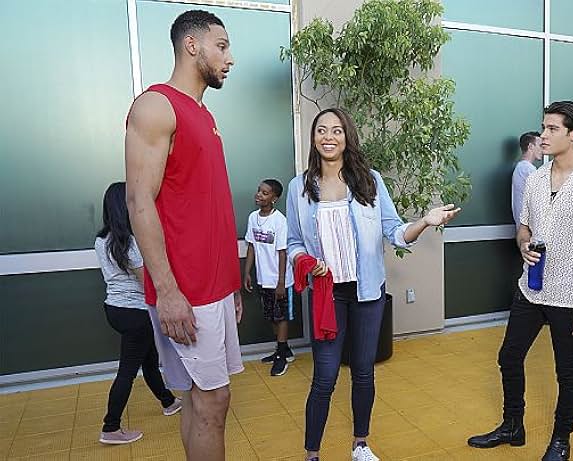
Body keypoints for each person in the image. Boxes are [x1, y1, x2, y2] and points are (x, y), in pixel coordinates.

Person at [287, 108, 460, 461]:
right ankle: (312, 454)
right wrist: (306, 263)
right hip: (327, 295)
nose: (329, 137)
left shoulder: (370, 181)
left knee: (363, 372)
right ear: (313, 138)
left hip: (367, 293)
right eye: (321, 130)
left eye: (336, 130)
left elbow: (395, 233)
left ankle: (360, 445)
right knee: (325, 377)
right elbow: (293, 243)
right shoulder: (298, 187)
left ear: (347, 136)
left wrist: (425, 221)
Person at [467, 101, 573, 461]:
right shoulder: (534, 179)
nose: (543, 135)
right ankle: (512, 425)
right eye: (543, 128)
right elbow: (525, 228)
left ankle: (562, 440)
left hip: (570, 296)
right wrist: (522, 247)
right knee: (509, 356)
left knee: (567, 371)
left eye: (552, 129)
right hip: (530, 289)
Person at [124, 10, 242, 461]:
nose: (230, 58)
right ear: (192, 46)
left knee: (202, 399)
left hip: (213, 288)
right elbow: (139, 202)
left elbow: (208, 211)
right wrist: (169, 292)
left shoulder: (202, 115)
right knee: (212, 401)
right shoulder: (156, 106)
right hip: (186, 290)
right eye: (222, 45)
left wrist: (231, 283)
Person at [95, 182, 182, 445]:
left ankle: (168, 401)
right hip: (135, 311)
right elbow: (148, 279)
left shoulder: (102, 240)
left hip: (115, 308)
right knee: (128, 371)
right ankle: (110, 427)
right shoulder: (130, 243)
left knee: (148, 358)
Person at [243, 178, 295, 376]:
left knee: (281, 317)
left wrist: (281, 282)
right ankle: (284, 349)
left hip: (280, 279)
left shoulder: (279, 221)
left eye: (265, 193)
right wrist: (247, 272)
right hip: (263, 278)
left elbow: (282, 252)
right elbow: (251, 246)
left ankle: (281, 356)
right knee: (272, 316)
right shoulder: (252, 217)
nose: (259, 195)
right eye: (259, 191)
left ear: (275, 198)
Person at [512, 131, 543, 229]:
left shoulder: (521, 168)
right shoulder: (527, 169)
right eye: (540, 145)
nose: (542, 150)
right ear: (530, 146)